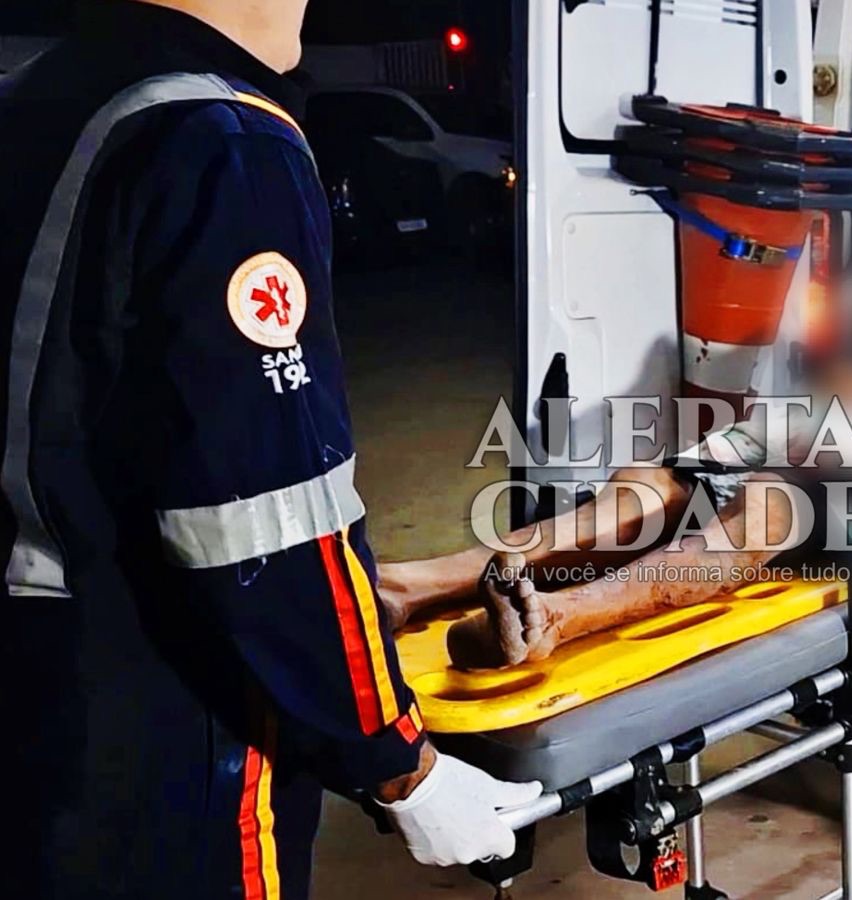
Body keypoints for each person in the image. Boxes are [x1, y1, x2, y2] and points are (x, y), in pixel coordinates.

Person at [0, 3, 540, 897]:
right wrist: (399, 764)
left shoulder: (43, 95)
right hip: (159, 724)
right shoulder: (222, 137)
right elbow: (265, 523)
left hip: (36, 694)